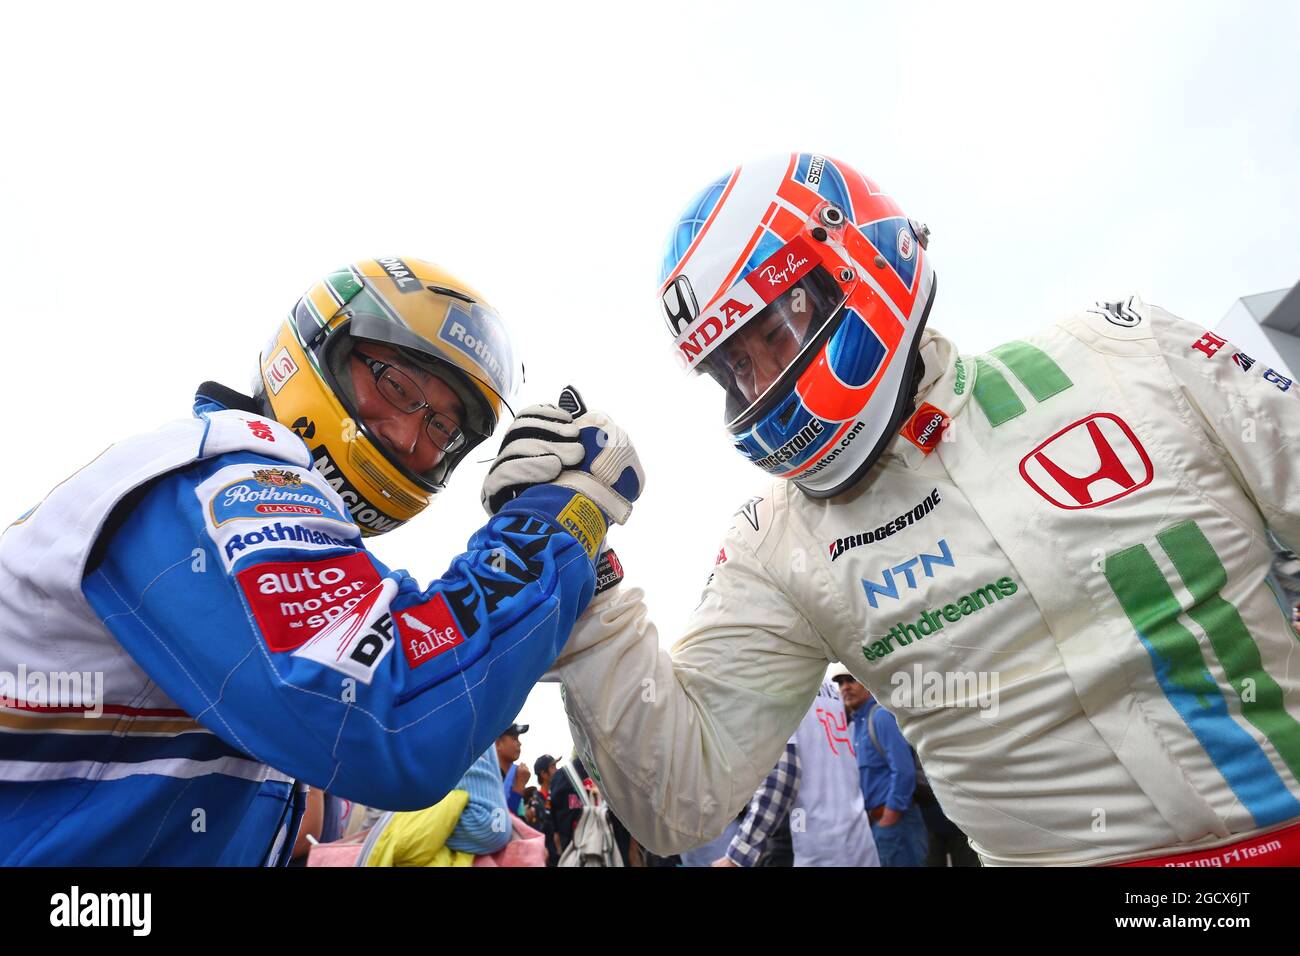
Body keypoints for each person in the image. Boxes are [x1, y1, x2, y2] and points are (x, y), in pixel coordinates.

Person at [512, 153, 1300, 866]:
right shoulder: (775, 539)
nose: (757, 388)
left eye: (772, 336)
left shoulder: (1121, 350)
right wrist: (583, 580)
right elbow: (678, 797)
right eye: (734, 369)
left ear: (850, 261)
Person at [0, 256, 642, 865]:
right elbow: (389, 718)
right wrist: (557, 521)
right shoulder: (216, 474)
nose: (408, 436)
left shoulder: (233, 497)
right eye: (397, 386)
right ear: (322, 348)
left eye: (443, 429)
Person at [714, 679, 879, 867]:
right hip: (855, 837)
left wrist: (738, 855)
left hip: (810, 845)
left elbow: (782, 777)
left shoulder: (773, 682)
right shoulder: (827, 687)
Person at [834, 674, 927, 867]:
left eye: (851, 680)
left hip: (896, 824)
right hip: (876, 826)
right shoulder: (854, 726)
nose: (845, 687)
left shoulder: (881, 716)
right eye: (841, 683)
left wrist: (890, 816)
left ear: (867, 685)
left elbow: (903, 770)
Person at [495, 723, 531, 816]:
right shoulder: (490, 776)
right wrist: (520, 784)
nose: (519, 743)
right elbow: (500, 821)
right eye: (515, 738)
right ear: (498, 744)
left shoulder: (515, 776)